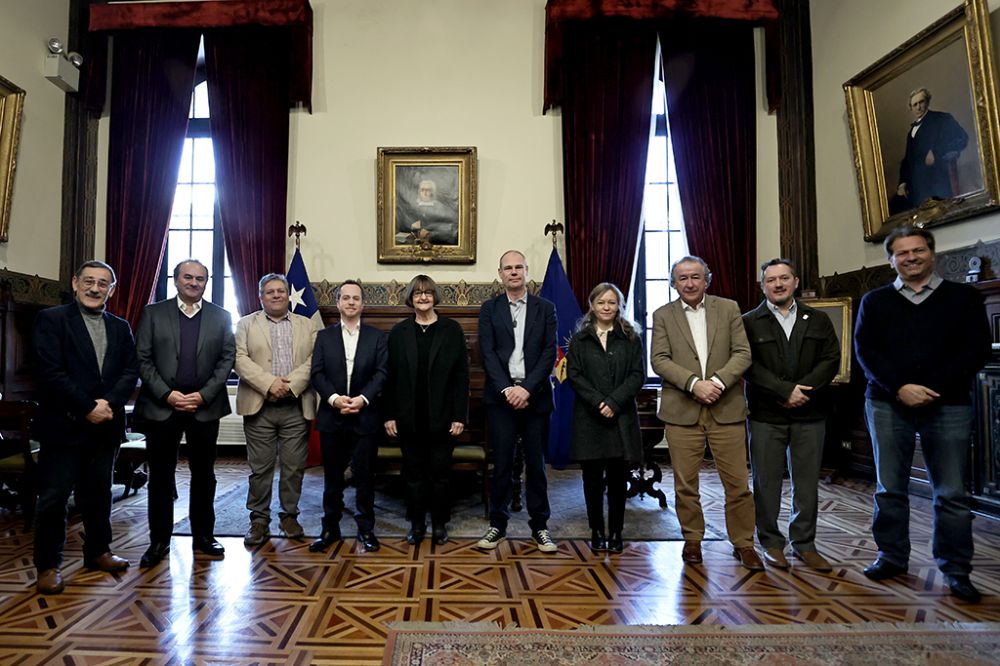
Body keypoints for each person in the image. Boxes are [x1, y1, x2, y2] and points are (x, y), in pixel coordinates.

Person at [854, 226, 991, 603]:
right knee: (889, 488)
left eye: (917, 251)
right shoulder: (875, 301)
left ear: (932, 253)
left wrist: (932, 389)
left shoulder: (963, 298)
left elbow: (975, 349)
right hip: (886, 402)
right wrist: (900, 388)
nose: (910, 258)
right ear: (891, 260)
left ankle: (956, 569)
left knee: (951, 492)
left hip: (947, 404)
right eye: (902, 253)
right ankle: (892, 556)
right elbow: (866, 351)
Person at [31, 260, 139, 595]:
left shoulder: (120, 327)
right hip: (64, 425)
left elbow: (130, 370)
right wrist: (87, 407)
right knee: (54, 498)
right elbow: (49, 372)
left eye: (103, 283)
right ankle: (49, 566)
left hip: (105, 426)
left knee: (99, 494)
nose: (95, 288)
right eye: (89, 281)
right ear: (75, 283)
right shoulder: (52, 320)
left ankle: (98, 552)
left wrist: (107, 404)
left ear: (112, 289)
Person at [650, 256, 763, 571]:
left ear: (707, 280)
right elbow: (658, 359)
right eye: (682, 278)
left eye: (695, 277)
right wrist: (692, 384)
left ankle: (743, 544)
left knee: (738, 483)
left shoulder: (728, 309)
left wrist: (715, 382)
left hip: (725, 407)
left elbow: (743, 353)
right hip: (682, 411)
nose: (689, 283)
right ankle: (693, 539)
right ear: (674, 283)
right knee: (686, 485)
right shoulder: (663, 315)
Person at [135, 259, 236, 568]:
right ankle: (159, 541)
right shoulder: (154, 313)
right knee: (161, 478)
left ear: (206, 283)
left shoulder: (221, 316)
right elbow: (143, 358)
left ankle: (204, 537)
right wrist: (168, 394)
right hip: (161, 408)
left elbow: (226, 359)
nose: (194, 282)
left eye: (200, 278)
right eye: (188, 277)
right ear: (176, 280)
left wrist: (202, 396)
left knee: (204, 476)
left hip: (204, 409)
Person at [742, 259, 840, 572]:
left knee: (807, 482)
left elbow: (830, 360)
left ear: (795, 282)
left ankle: (805, 544)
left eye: (784, 278)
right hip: (765, 414)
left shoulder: (819, 319)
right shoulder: (748, 322)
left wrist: (803, 391)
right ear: (762, 286)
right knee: (766, 482)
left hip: (810, 413)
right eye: (771, 280)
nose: (778, 284)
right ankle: (771, 543)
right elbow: (748, 366)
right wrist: (785, 391)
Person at [476, 250, 558, 553]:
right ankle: (497, 525)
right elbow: (488, 353)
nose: (513, 272)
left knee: (536, 465)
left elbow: (549, 353)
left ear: (526, 271)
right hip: (501, 399)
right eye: (507, 268)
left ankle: (540, 527)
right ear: (500, 274)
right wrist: (507, 390)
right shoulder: (489, 309)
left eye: (519, 267)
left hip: (534, 399)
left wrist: (526, 390)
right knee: (502, 465)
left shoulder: (545, 308)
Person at [383, 275, 470, 546]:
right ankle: (417, 523)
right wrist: (389, 415)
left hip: (443, 417)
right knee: (413, 475)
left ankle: (440, 523)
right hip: (409, 418)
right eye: (418, 293)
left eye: (428, 293)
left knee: (440, 474)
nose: (423, 298)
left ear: (435, 297)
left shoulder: (451, 329)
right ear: (410, 297)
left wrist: (459, 416)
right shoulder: (399, 332)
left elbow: (461, 377)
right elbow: (390, 377)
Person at [234, 273, 318, 547]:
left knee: (293, 468)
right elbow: (239, 359)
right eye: (270, 292)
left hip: (296, 406)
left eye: (281, 291)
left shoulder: (308, 325)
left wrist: (289, 385)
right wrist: (269, 384)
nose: (277, 295)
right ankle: (258, 521)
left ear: (287, 294)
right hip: (260, 407)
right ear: (261, 297)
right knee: (261, 469)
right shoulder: (246, 324)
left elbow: (313, 360)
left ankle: (289, 516)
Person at [566, 283, 645, 554]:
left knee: (616, 481)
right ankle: (597, 531)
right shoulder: (580, 339)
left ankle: (616, 533)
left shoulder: (631, 337)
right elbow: (574, 375)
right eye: (602, 302)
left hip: (620, 419)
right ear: (592, 305)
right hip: (590, 419)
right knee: (591, 482)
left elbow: (637, 375)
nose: (607, 307)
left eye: (612, 302)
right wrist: (599, 402)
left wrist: (613, 402)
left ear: (619, 305)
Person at [309, 280, 387, 553]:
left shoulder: (378, 337)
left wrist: (362, 400)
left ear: (362, 304)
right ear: (338, 303)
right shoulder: (324, 337)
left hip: (365, 418)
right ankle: (330, 528)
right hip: (333, 416)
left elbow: (382, 373)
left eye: (356, 298)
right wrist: (334, 399)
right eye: (346, 298)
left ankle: (366, 530)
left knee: (365, 478)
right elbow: (316, 373)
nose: (351, 302)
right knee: (332, 478)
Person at [896, 87, 969, 209]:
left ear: (927, 102)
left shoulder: (941, 119)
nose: (918, 107)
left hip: (937, 181)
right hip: (916, 187)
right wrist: (902, 182)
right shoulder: (911, 133)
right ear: (911, 108)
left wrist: (936, 152)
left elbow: (962, 138)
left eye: (921, 102)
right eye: (915, 105)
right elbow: (908, 159)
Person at [395, 178, 459, 246]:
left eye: (428, 190)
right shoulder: (410, 207)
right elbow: (403, 226)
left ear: (432, 192)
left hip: (436, 243)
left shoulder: (441, 208)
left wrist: (430, 233)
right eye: (422, 190)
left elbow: (448, 229)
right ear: (419, 192)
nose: (425, 193)